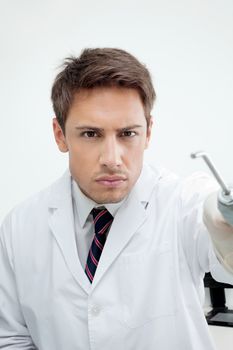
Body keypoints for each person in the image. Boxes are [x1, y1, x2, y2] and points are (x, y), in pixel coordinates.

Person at [0, 48, 233, 350]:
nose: (112, 159)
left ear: (148, 132)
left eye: (127, 133)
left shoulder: (181, 203)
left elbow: (219, 249)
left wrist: (222, 231)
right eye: (90, 134)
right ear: (60, 135)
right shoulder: (20, 225)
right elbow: (12, 338)